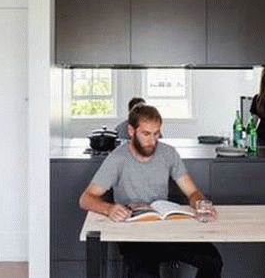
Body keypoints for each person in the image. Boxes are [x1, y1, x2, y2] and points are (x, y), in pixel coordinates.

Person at [79, 104, 223, 278]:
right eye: (146, 134)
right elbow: (86, 198)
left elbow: (192, 192)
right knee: (144, 274)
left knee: (212, 260)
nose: (152, 141)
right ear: (131, 131)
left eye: (156, 133)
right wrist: (109, 209)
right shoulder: (117, 158)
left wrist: (200, 204)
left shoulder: (168, 153)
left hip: (165, 230)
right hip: (133, 235)